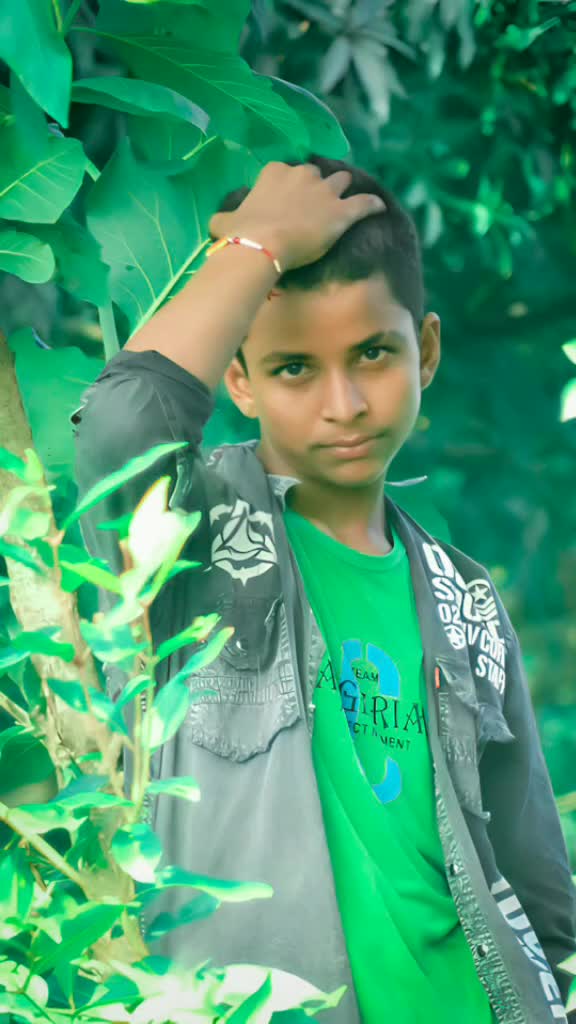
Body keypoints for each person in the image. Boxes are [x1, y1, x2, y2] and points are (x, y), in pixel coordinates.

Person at [72, 156, 576, 1023]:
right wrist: (258, 246)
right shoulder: (189, 540)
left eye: (373, 354)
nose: (343, 404)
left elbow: (538, 889)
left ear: (425, 350)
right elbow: (120, 426)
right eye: (295, 368)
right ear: (239, 380)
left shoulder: (467, 598)